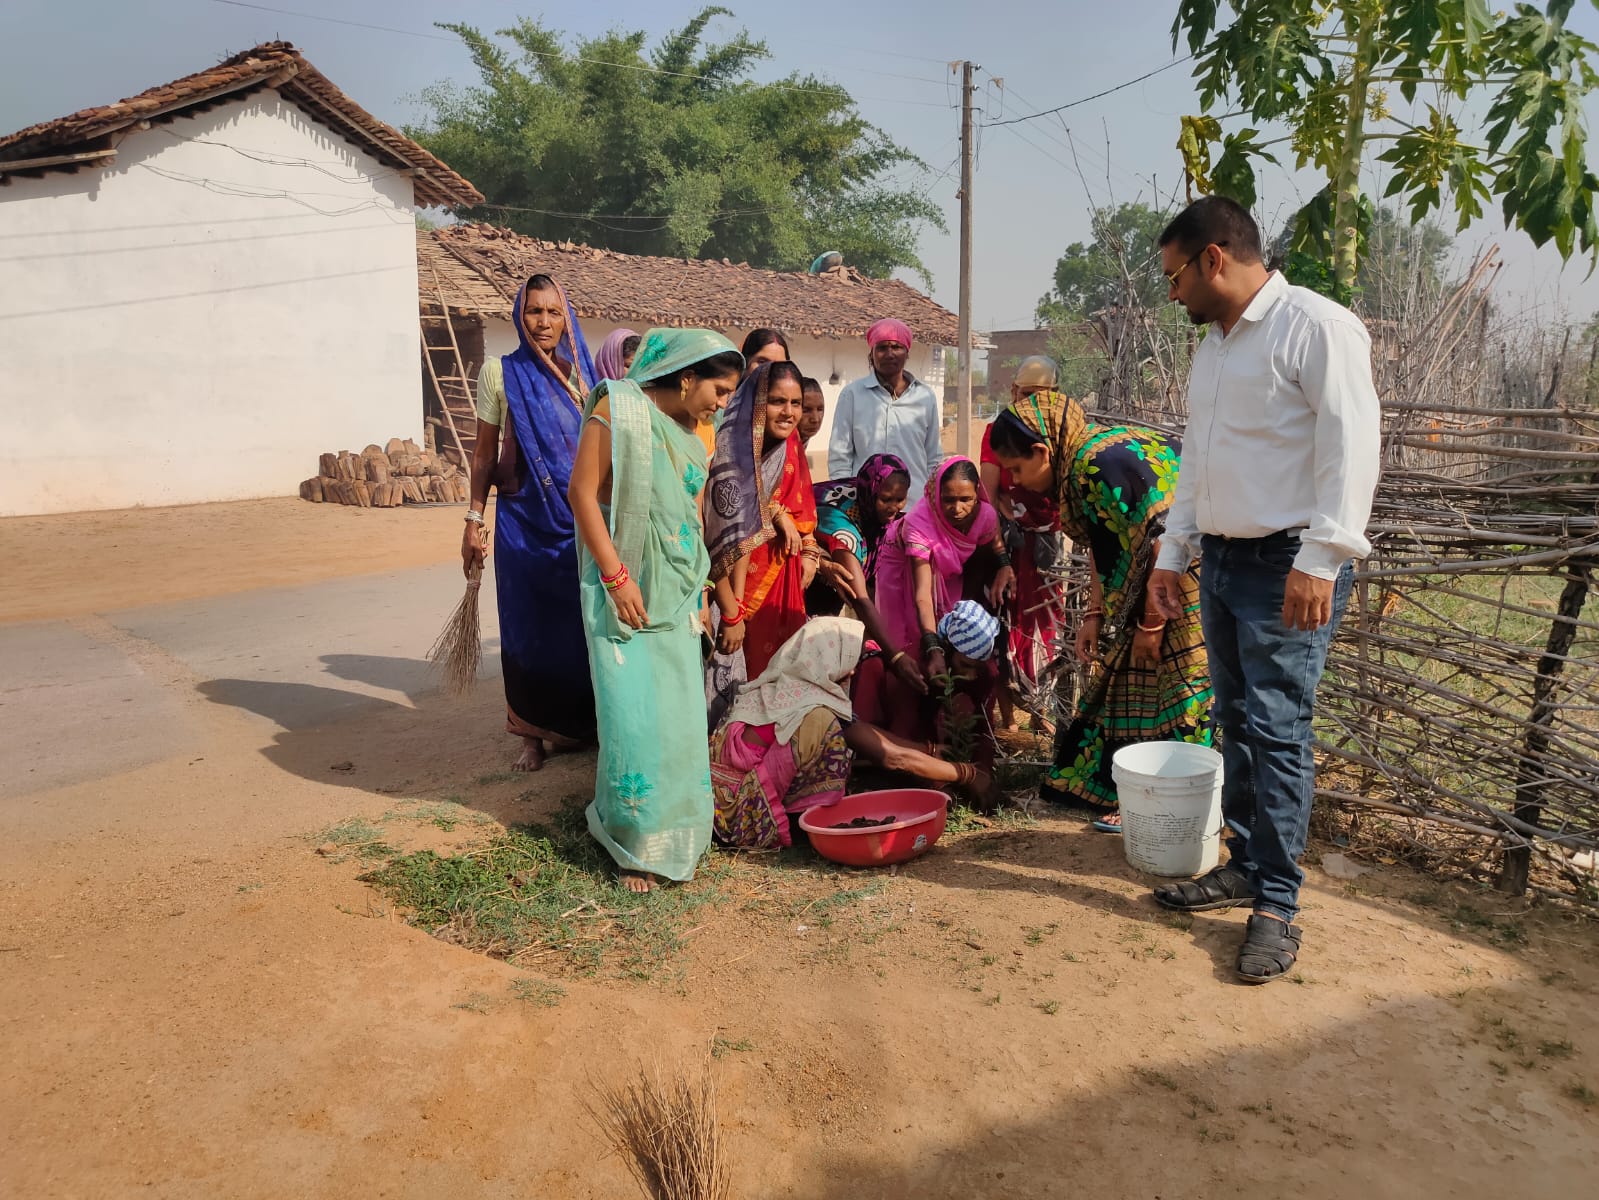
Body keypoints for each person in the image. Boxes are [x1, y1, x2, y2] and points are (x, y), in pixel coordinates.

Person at [1143, 195, 1380, 983]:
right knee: (1238, 721)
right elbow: (1198, 462)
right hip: (1222, 559)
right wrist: (1172, 555)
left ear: (1214, 257)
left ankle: (1276, 903)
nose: (1171, 294)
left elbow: (1351, 446)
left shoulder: (1315, 326)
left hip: (1288, 565)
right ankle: (1244, 863)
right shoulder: (1211, 347)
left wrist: (1323, 557)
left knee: (1278, 730)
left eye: (1175, 276)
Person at [567, 328, 745, 893]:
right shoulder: (617, 410)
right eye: (718, 390)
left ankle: (679, 828)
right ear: (686, 375)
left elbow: (691, 516)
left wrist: (708, 593)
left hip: (677, 591)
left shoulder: (698, 429)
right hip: (626, 589)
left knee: (676, 718)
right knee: (633, 718)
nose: (721, 403)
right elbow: (582, 493)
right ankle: (634, 844)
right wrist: (616, 576)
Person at [987, 386, 1211, 831]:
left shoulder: (1095, 467)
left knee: (1180, 691)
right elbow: (1102, 537)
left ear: (1042, 451)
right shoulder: (1099, 452)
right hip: (1164, 585)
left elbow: (1162, 539)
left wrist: (1150, 623)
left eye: (1017, 468)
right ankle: (1136, 793)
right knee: (1134, 684)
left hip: (1182, 585)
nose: (1016, 482)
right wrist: (1094, 613)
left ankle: (1171, 805)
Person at [462, 273, 597, 773]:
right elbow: (482, 454)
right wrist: (474, 517)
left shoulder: (581, 378)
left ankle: (582, 724)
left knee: (578, 625)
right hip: (522, 520)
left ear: (567, 319)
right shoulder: (499, 373)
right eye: (534, 311)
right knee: (525, 627)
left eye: (553, 312)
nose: (543, 322)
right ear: (520, 314)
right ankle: (530, 735)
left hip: (575, 519)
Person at [710, 617, 999, 849]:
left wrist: (931, 752)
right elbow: (892, 757)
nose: (851, 673)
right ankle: (801, 823)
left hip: (716, 807)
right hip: (742, 816)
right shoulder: (815, 708)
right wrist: (967, 774)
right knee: (827, 734)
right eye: (848, 661)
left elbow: (865, 730)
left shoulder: (774, 687)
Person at [865, 457, 1012, 755]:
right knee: (906, 647)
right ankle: (902, 738)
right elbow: (922, 594)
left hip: (946, 573)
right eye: (948, 500)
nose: (957, 509)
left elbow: (993, 538)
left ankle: (939, 731)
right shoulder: (919, 525)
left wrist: (1004, 565)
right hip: (900, 570)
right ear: (934, 496)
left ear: (977, 496)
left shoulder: (984, 514)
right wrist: (932, 648)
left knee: (947, 632)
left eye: (965, 499)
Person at [705, 361, 820, 686]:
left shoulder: (786, 449)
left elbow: (800, 510)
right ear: (757, 403)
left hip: (772, 579)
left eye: (795, 403)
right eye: (777, 401)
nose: (789, 412)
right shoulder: (729, 453)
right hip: (718, 589)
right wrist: (732, 610)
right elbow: (717, 542)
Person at [979, 355, 1068, 726]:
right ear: (1013, 392)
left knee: (1049, 623)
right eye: (1025, 394)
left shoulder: (1065, 435)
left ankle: (1042, 709)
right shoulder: (996, 434)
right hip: (1010, 543)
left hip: (1052, 545)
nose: (1031, 403)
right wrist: (1009, 527)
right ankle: (1008, 715)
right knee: (1005, 618)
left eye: (1040, 395)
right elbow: (990, 491)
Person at [807, 453, 926, 697]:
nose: (894, 507)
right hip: (801, 590)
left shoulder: (871, 507)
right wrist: (896, 656)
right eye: (886, 499)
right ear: (871, 492)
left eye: (900, 499)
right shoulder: (844, 529)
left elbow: (870, 586)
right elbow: (859, 597)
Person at [827, 318, 944, 497]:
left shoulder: (925, 396)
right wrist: (848, 497)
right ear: (872, 353)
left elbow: (933, 456)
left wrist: (930, 499)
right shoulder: (852, 395)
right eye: (882, 348)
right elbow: (840, 455)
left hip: (914, 504)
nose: (889, 354)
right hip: (866, 504)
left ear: (907, 352)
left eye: (896, 347)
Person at [798, 376, 826, 447]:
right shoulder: (778, 447)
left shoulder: (802, 439)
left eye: (820, 409)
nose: (815, 419)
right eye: (805, 410)